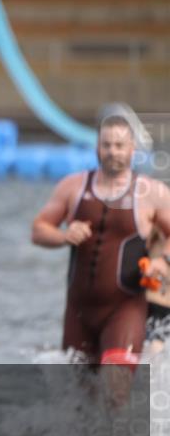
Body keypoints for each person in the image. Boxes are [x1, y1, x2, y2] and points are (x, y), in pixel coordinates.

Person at [32, 115, 170, 371]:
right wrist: (63, 236)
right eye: (106, 145)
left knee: (115, 387)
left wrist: (162, 261)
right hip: (78, 310)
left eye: (119, 146)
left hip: (126, 308)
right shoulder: (72, 187)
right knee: (80, 398)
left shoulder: (152, 193)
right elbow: (38, 230)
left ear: (132, 149)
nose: (112, 152)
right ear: (96, 147)